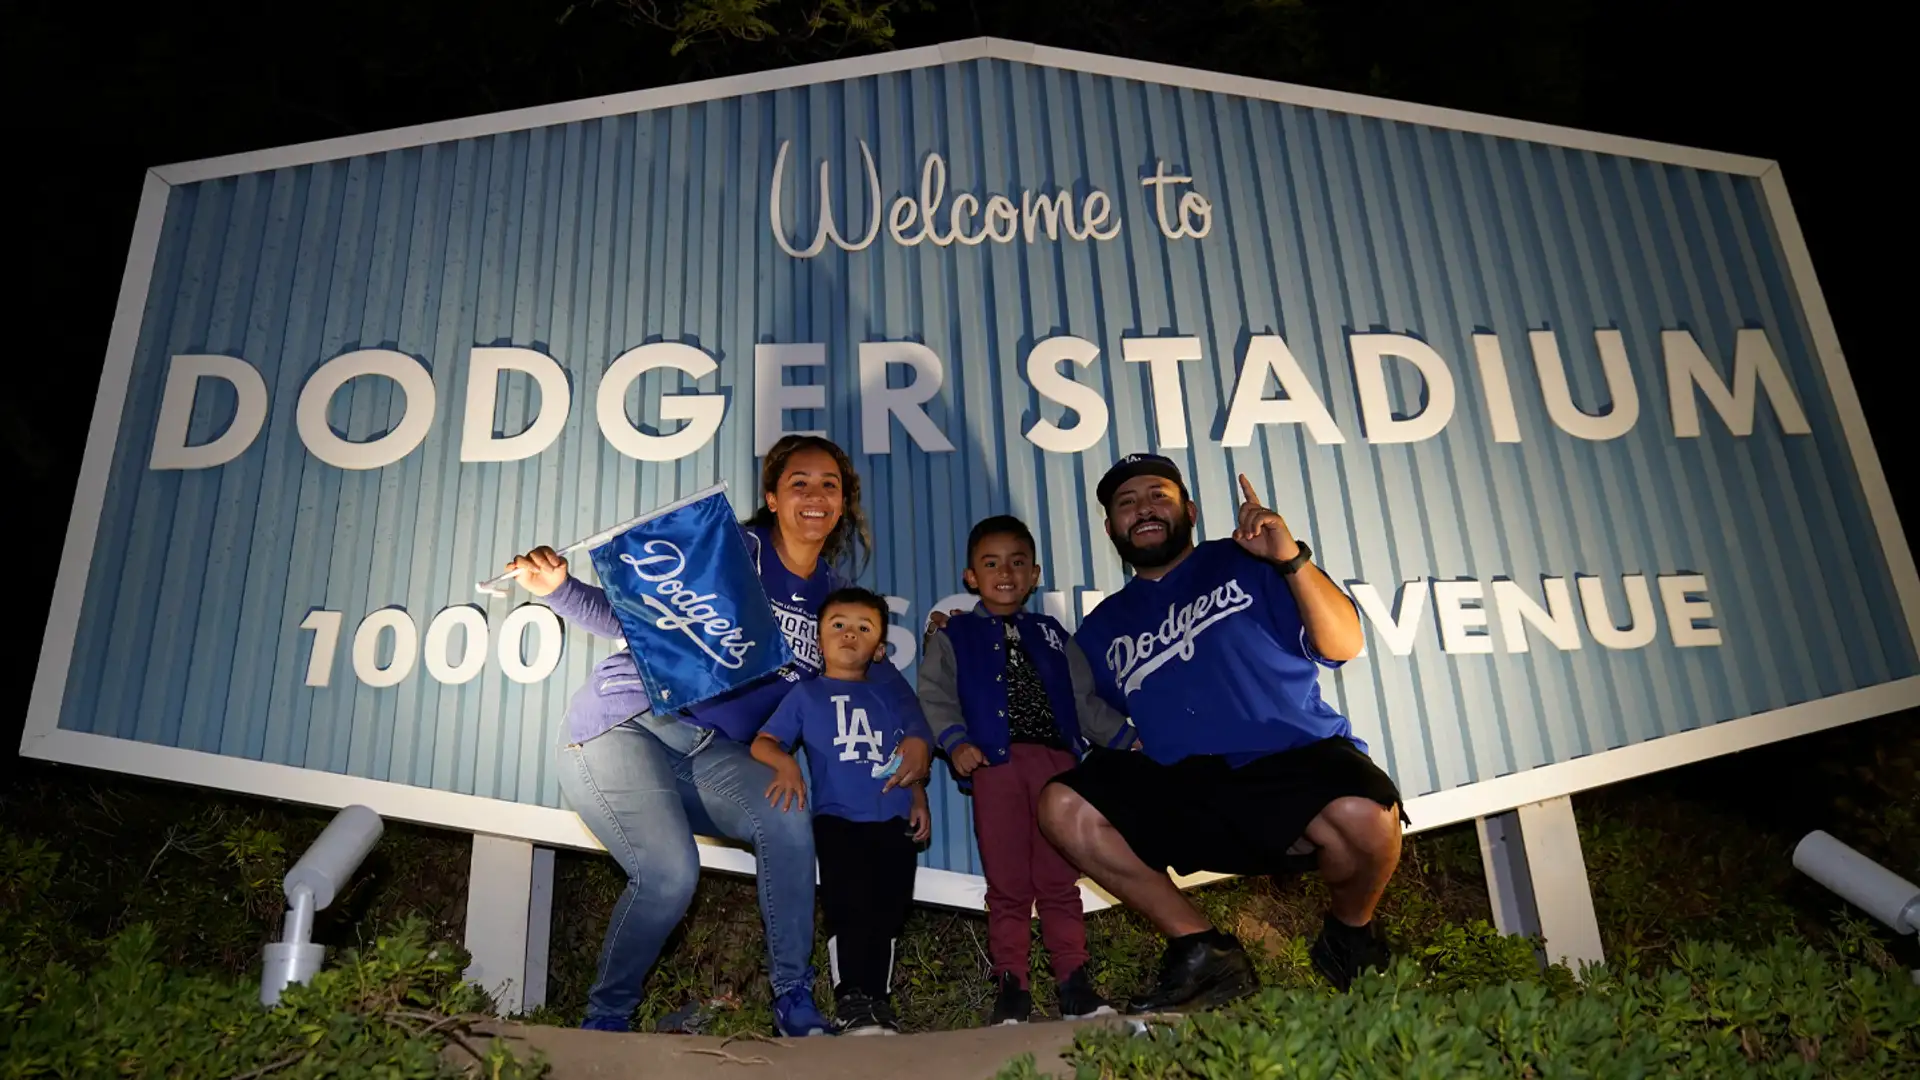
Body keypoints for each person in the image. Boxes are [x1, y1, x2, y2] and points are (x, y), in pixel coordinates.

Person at [504, 435, 933, 1035]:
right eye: (799, 483)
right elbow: (635, 618)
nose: (815, 495)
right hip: (626, 727)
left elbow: (881, 686)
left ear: (844, 505)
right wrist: (560, 591)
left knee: (787, 816)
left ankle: (793, 1001)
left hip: (711, 756)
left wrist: (914, 753)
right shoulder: (737, 551)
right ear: (772, 497)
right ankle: (607, 1020)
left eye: (829, 485)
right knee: (670, 875)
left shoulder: (834, 598)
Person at [1038, 453, 1409, 1014]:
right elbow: (1076, 704)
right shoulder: (1101, 629)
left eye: (1157, 494)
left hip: (1288, 757)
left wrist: (1291, 558)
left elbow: (1343, 644)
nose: (1143, 508)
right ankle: (1203, 951)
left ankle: (1348, 936)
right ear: (1113, 528)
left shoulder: (1249, 562)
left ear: (1188, 509)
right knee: (1062, 804)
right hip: (1185, 784)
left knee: (1368, 816)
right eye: (1126, 502)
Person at [916, 515, 1128, 1026]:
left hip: (1057, 769)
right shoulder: (955, 634)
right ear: (971, 577)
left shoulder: (1052, 633)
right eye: (991, 563)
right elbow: (935, 695)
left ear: (1034, 574)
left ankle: (1073, 982)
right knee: (1008, 883)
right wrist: (955, 742)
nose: (1004, 572)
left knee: (1058, 879)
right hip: (995, 768)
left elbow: (1082, 700)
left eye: (1016, 562)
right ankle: (1012, 987)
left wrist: (1127, 737)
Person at [753, 587, 933, 1036]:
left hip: (892, 821)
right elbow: (764, 741)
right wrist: (786, 764)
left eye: (863, 628)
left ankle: (878, 1000)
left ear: (879, 648)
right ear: (818, 639)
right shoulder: (806, 695)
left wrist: (918, 796)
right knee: (848, 906)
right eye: (838, 625)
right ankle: (850, 999)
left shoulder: (890, 696)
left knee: (889, 909)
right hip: (837, 820)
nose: (850, 634)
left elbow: (906, 755)